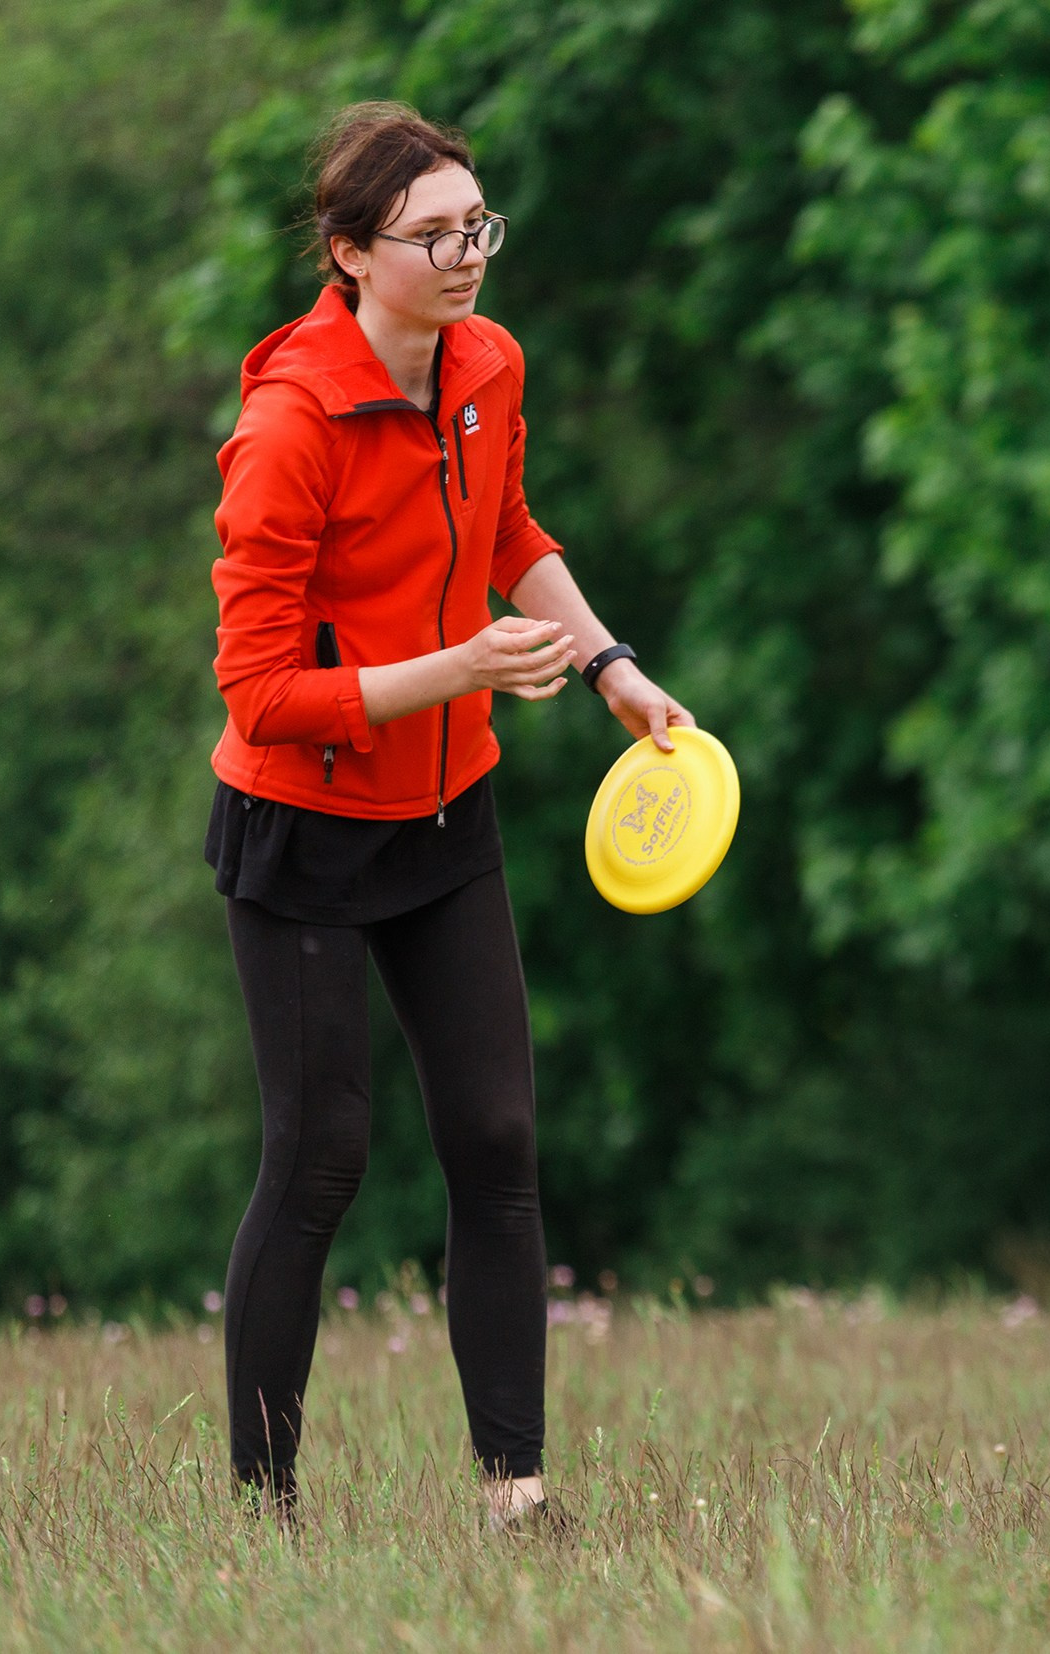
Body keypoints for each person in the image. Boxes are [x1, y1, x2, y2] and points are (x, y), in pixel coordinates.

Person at [203, 101, 692, 1531]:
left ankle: (517, 1491)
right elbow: (260, 693)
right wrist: (457, 668)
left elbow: (512, 537)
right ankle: (262, 1513)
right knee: (321, 1155)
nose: (470, 254)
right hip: (302, 829)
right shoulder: (288, 426)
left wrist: (607, 662)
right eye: (436, 235)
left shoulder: (486, 363)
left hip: (445, 811)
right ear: (352, 254)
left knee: (495, 1139)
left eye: (480, 224)